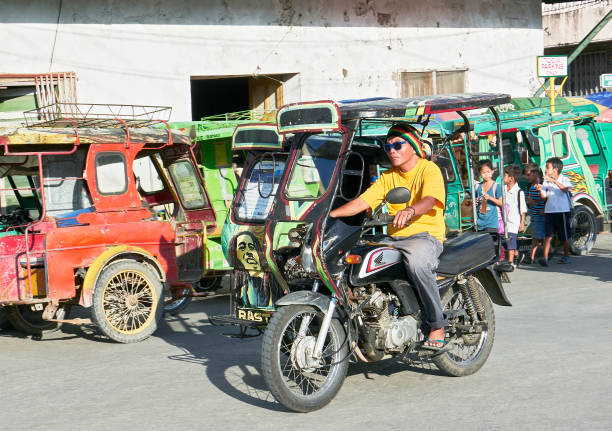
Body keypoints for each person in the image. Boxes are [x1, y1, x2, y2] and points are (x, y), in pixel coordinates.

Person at [329, 123, 447, 350]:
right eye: (388, 146)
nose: (391, 150)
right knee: (358, 257)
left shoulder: (428, 169)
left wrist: (411, 210)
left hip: (424, 236)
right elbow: (363, 202)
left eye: (398, 145)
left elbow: (430, 200)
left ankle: (437, 325)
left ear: (413, 147)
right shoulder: (388, 176)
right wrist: (327, 215)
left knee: (417, 263)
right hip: (394, 238)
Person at [535, 157, 573, 266]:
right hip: (549, 211)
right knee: (548, 235)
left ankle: (566, 256)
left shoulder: (563, 179)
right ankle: (545, 258)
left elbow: (566, 189)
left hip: (562, 211)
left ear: (555, 170)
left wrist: (554, 181)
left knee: (564, 236)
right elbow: (543, 197)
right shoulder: (546, 181)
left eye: (547, 167)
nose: (545, 170)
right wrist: (539, 190)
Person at [503, 165, 527, 270]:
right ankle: (517, 256)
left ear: (511, 178)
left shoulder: (519, 192)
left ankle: (510, 262)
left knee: (511, 242)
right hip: (504, 221)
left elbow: (523, 209)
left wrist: (522, 223)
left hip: (514, 222)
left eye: (504, 175)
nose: (503, 177)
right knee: (510, 242)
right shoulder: (503, 189)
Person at [524, 163, 545, 264]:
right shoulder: (529, 186)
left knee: (536, 237)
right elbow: (528, 200)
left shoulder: (543, 184)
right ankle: (549, 252)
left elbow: (548, 198)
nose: (527, 177)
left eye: (528, 175)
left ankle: (532, 257)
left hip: (542, 215)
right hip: (534, 214)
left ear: (536, 173)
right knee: (538, 236)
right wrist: (529, 201)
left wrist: (544, 208)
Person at [474, 159, 503, 233]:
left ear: (492, 172)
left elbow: (501, 203)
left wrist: (490, 198)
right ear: (480, 173)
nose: (486, 174)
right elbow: (473, 202)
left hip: (491, 223)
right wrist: (475, 201)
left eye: (488, 172)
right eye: (483, 172)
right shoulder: (477, 187)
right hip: (479, 223)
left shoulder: (496, 186)